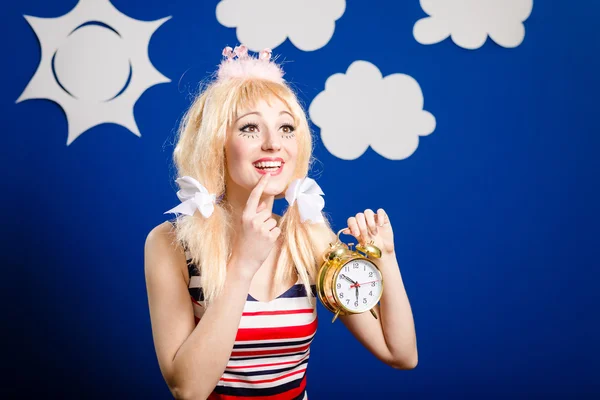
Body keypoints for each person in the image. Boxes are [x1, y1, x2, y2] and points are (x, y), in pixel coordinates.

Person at [144, 45, 418, 400]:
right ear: (217, 143)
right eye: (250, 128)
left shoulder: (311, 239)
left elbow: (400, 354)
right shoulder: (170, 244)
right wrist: (243, 264)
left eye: (286, 127)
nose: (274, 144)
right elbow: (188, 390)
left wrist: (387, 259)